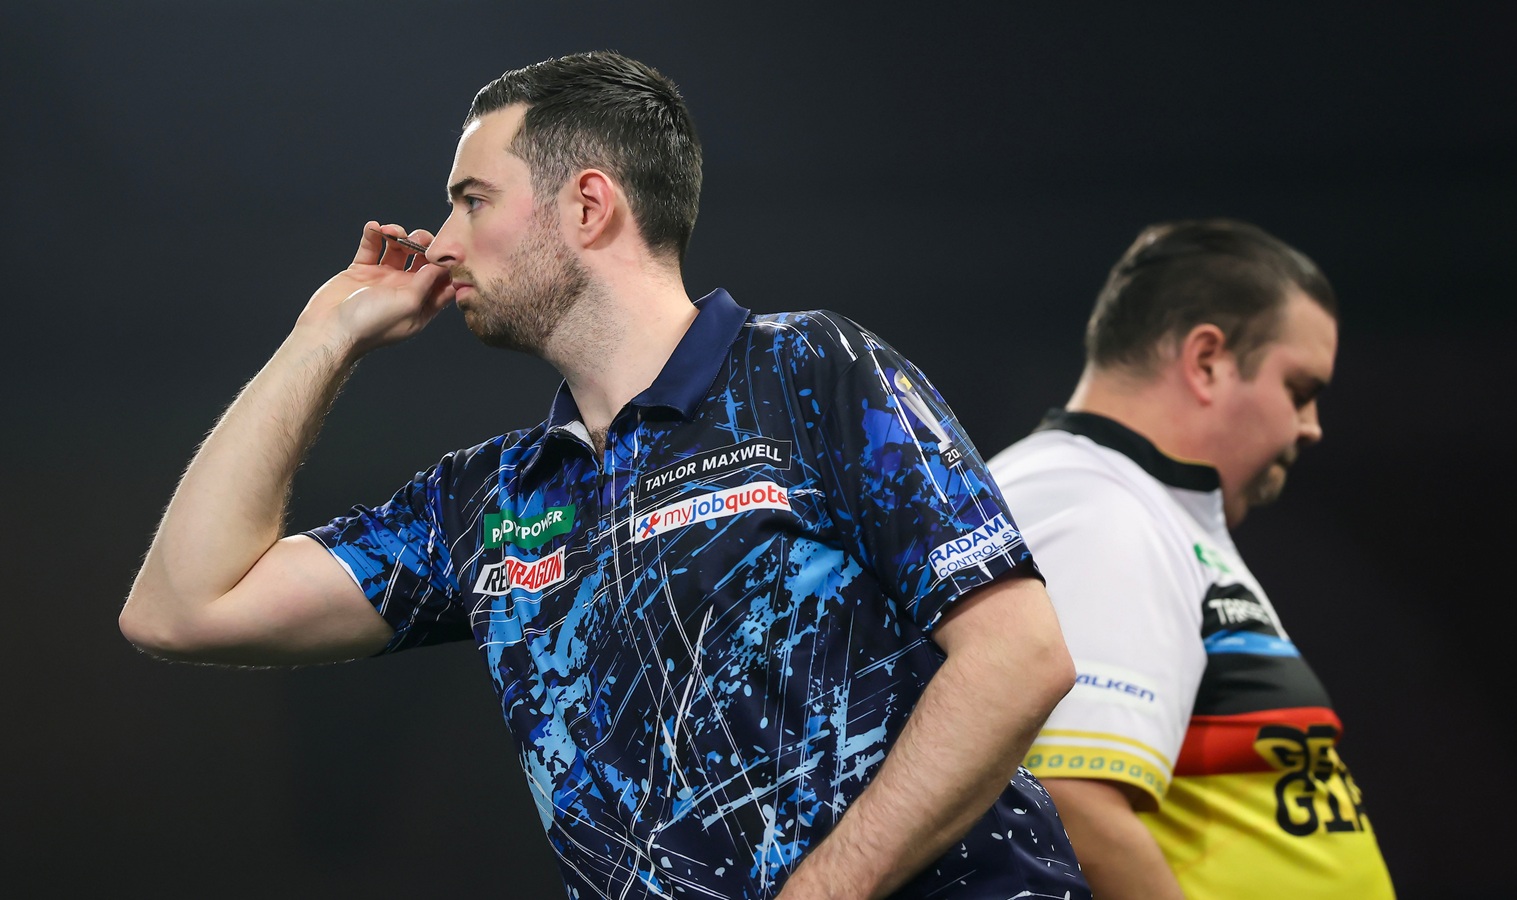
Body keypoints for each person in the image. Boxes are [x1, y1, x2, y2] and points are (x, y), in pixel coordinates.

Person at [120, 52, 1089, 900]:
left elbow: (1018, 657)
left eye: (472, 199)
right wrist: (322, 336)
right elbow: (181, 609)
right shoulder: (489, 501)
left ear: (588, 205)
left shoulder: (808, 369)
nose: (441, 243)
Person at [988, 220, 1393, 899]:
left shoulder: (1140, 505)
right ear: (1207, 360)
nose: (1311, 426)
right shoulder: (1094, 502)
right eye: (1299, 390)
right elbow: (1068, 800)